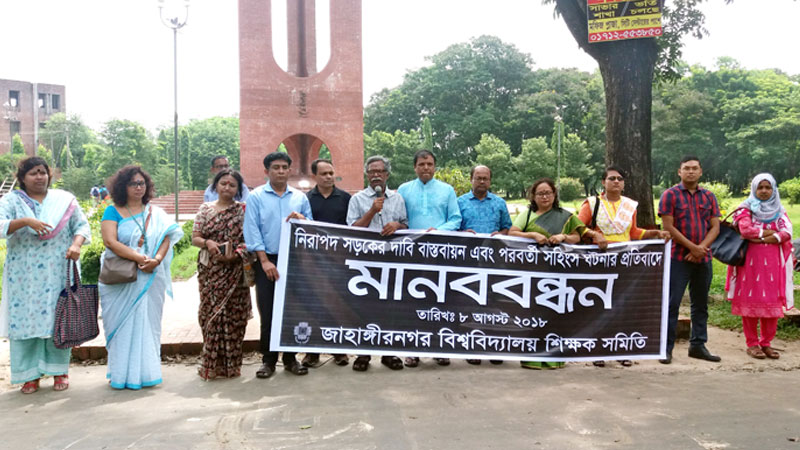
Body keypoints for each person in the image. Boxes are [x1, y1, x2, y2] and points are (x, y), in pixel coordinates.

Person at [0, 156, 91, 394]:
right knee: (25, 322)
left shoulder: (64, 200)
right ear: (22, 178)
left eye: (43, 172)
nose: (39, 177)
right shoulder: (11, 200)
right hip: (24, 276)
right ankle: (30, 376)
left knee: (59, 320)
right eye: (33, 173)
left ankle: (60, 371)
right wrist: (26, 221)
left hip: (58, 271)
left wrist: (77, 245)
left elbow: (81, 226)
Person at [99, 165, 184, 390]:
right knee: (119, 325)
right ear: (122, 187)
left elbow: (168, 236)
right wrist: (139, 258)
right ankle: (120, 374)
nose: (138, 187)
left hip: (150, 276)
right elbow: (110, 241)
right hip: (121, 278)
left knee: (149, 324)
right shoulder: (113, 210)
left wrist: (156, 259)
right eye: (133, 183)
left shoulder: (155, 213)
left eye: (141, 183)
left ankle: (147, 372)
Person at [578, 166, 671, 368]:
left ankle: (622, 348)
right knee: (600, 305)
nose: (616, 182)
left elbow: (634, 232)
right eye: (612, 178)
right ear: (603, 182)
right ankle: (598, 349)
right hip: (600, 260)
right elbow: (576, 227)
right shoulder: (592, 204)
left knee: (623, 305)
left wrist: (654, 234)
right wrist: (594, 235)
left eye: (620, 179)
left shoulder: (629, 206)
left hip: (625, 261)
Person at [244, 152, 313, 378]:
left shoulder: (300, 198)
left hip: (294, 260)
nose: (281, 171)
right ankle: (268, 360)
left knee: (292, 310)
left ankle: (291, 358)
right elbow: (252, 231)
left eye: (285, 167)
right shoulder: (255, 197)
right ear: (267, 171)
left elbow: (311, 227)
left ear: (289, 170)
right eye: (276, 167)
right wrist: (264, 261)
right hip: (268, 260)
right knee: (269, 310)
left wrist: (301, 220)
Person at [509, 178, 586, 370]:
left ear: (554, 195)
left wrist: (563, 237)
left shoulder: (564, 216)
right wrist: (533, 235)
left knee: (555, 312)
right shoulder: (527, 215)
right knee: (534, 312)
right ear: (533, 197)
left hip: (558, 272)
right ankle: (531, 356)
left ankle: (554, 357)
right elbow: (512, 233)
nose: (544, 196)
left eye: (548, 193)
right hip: (533, 272)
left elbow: (578, 237)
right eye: (540, 193)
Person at [398, 149, 462, 367]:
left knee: (439, 300)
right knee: (411, 300)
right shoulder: (404, 189)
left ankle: (440, 347)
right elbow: (399, 218)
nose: (426, 168)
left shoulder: (447, 190)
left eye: (430, 164)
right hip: (411, 254)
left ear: (435, 167)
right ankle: (412, 349)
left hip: (440, 253)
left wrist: (437, 231)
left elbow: (455, 219)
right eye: (421, 164)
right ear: (414, 167)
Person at [346, 155, 408, 371]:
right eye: (371, 172)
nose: (375, 175)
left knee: (390, 307)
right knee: (364, 307)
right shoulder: (357, 199)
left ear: (387, 174)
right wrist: (372, 210)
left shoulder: (398, 199)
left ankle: (389, 353)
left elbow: (406, 226)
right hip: (365, 262)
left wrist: (397, 226)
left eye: (379, 171)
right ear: (366, 174)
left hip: (392, 261)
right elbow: (352, 230)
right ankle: (363, 353)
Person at [658, 156, 721, 364]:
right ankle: (666, 348)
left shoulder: (709, 197)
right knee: (672, 303)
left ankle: (698, 345)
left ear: (701, 172)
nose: (691, 172)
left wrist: (701, 248)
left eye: (694, 168)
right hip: (678, 257)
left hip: (703, 258)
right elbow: (668, 227)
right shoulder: (670, 195)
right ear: (679, 172)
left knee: (700, 303)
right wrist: (692, 248)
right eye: (687, 168)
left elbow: (715, 226)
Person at [192, 169, 252, 380]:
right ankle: (211, 365)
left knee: (235, 317)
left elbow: (250, 240)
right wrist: (208, 243)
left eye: (232, 185)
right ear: (216, 186)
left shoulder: (243, 211)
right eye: (223, 183)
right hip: (210, 272)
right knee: (210, 315)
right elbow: (195, 237)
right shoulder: (205, 209)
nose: (227, 187)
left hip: (235, 273)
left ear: (238, 189)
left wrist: (235, 254)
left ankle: (232, 366)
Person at [725, 173, 792, 360]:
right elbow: (745, 230)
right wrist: (770, 233)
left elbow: (787, 231)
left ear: (773, 189)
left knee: (771, 302)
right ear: (754, 189)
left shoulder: (779, 209)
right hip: (750, 264)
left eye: (767, 187)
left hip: (773, 264)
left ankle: (766, 343)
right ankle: (752, 343)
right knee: (750, 301)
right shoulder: (745, 208)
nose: (763, 191)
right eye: (760, 187)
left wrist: (761, 237)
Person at [458, 164, 511, 366]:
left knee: (494, 304)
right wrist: (463, 234)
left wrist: (501, 235)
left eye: (485, 178)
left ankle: (494, 347)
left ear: (490, 180)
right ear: (471, 179)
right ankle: (472, 348)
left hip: (494, 263)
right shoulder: (460, 202)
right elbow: (454, 228)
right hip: (467, 263)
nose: (481, 182)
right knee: (471, 304)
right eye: (478, 178)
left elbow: (507, 228)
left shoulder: (499, 203)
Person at [302, 158, 351, 368]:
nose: (329, 177)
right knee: (314, 305)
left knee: (337, 304)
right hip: (313, 261)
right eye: (324, 174)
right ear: (315, 176)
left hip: (339, 261)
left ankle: (338, 350)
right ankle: (312, 352)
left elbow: (352, 227)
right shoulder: (305, 199)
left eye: (331, 173)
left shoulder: (345, 198)